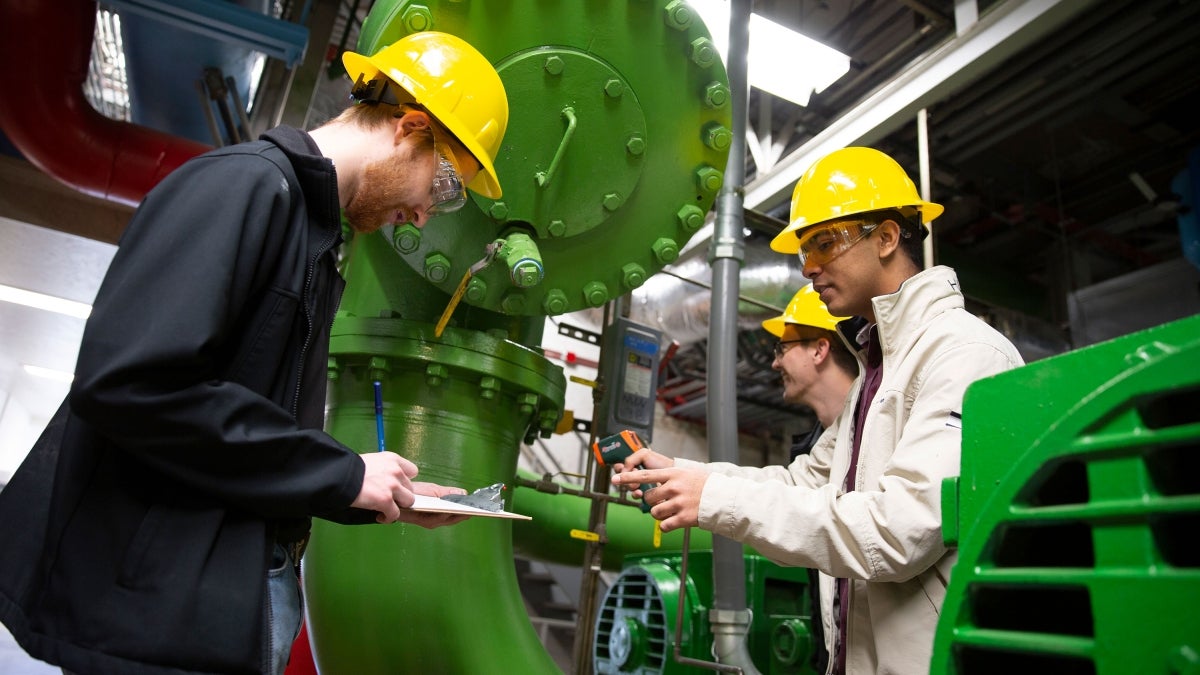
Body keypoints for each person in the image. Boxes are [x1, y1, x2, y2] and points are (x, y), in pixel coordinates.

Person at [0, 31, 508, 675]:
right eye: (443, 187)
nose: (424, 214)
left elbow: (237, 431)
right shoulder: (244, 188)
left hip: (212, 605)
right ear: (410, 128)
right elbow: (134, 384)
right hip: (154, 616)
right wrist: (341, 473)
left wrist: (365, 491)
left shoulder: (314, 243)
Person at [613, 146, 1025, 675]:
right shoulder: (874, 375)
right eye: (805, 251)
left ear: (887, 237)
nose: (809, 268)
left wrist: (713, 498)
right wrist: (684, 475)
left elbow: (898, 532)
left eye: (825, 243)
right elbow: (800, 484)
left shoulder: (964, 353)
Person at [763, 283, 859, 675]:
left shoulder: (884, 433)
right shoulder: (811, 451)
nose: (774, 363)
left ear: (820, 350)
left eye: (782, 349)